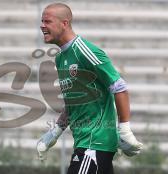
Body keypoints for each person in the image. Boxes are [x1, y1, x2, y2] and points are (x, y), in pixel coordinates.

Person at [36, 3, 143, 174]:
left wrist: (124, 129)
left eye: (47, 21)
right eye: (41, 21)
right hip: (86, 145)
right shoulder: (60, 58)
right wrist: (55, 132)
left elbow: (119, 86)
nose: (42, 25)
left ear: (65, 23)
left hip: (93, 145)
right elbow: (73, 102)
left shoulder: (84, 51)